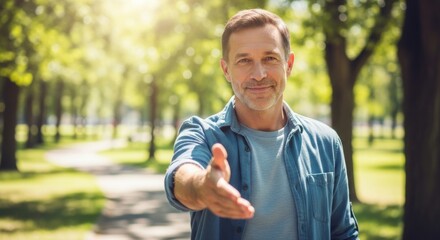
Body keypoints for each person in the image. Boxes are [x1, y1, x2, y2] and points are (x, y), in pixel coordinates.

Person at [164, 8, 359, 240]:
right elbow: (183, 176)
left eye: (270, 58)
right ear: (226, 70)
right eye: (244, 60)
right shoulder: (203, 134)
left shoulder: (326, 142)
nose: (258, 74)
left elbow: (343, 233)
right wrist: (203, 188)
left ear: (288, 64)